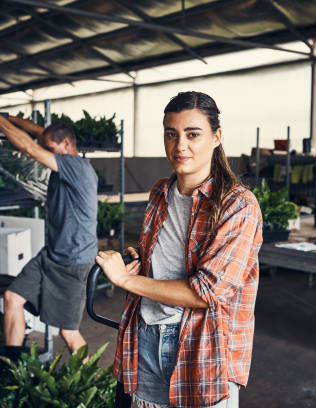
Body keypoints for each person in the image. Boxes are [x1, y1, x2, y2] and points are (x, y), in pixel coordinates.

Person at [95, 91, 262, 407]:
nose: (180, 145)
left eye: (193, 134)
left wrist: (127, 280)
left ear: (216, 137)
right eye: (171, 134)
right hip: (144, 334)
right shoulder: (161, 191)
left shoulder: (238, 205)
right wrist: (139, 262)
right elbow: (166, 255)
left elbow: (206, 292)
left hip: (201, 345)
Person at [0, 108, 98, 355]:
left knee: (68, 332)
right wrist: (5, 119)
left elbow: (30, 148)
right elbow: (37, 133)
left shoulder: (76, 166)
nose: (45, 155)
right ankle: (12, 371)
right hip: (51, 256)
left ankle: (94, 389)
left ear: (67, 144)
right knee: (12, 298)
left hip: (73, 263)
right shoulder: (61, 150)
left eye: (50, 149)